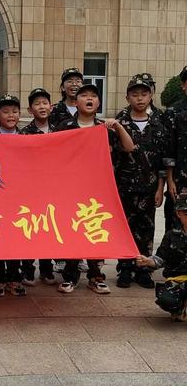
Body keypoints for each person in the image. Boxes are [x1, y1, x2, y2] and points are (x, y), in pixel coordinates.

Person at [54, 84, 135, 294]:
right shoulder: (65, 126)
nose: (89, 99)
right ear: (76, 101)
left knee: (95, 230)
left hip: (99, 190)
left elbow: (129, 147)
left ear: (98, 102)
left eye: (93, 96)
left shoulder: (105, 128)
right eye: (84, 95)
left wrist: (117, 126)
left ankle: (96, 276)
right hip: (71, 189)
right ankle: (70, 276)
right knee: (73, 231)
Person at [115, 78, 166, 289]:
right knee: (124, 228)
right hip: (124, 187)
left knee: (146, 229)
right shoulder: (120, 122)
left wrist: (160, 188)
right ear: (127, 97)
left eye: (144, 94)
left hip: (148, 187)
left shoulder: (159, 123)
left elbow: (163, 159)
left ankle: (143, 269)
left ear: (151, 95)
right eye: (135, 94)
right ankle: (125, 269)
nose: (139, 98)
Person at [0, 94, 26, 297]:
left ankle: (14, 277)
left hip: (18, 198)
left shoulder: (27, 137)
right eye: (5, 111)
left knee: (15, 238)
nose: (10, 115)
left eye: (14, 111)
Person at [20, 88, 56, 286]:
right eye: (37, 104)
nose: (41, 107)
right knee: (30, 229)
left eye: (44, 103)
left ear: (51, 107)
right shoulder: (24, 134)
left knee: (49, 228)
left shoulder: (61, 131)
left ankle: (47, 269)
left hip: (53, 190)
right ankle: (27, 270)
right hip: (31, 191)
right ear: (30, 109)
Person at [136, 193, 187, 322]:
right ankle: (178, 308)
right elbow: (160, 259)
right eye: (186, 214)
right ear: (178, 214)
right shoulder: (171, 235)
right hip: (177, 280)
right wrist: (148, 261)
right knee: (166, 300)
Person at [165, 66, 187, 222]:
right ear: (183, 85)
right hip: (180, 180)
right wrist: (170, 180)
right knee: (175, 222)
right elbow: (169, 150)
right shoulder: (174, 112)